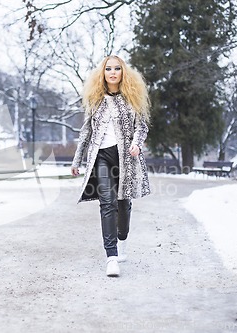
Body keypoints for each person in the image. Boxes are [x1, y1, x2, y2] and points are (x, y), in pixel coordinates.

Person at [71, 55, 151, 277]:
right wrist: (77, 159)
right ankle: (111, 257)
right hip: (101, 158)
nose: (113, 72)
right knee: (108, 203)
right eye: (108, 69)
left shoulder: (131, 99)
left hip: (126, 158)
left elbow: (141, 126)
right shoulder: (96, 100)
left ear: (123, 72)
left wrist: (136, 144)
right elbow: (86, 131)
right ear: (103, 73)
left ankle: (122, 240)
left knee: (123, 205)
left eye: (117, 68)